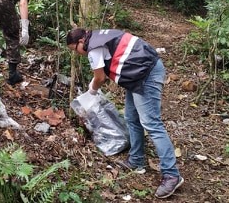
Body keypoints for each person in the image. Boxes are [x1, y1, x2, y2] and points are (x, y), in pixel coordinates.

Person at [66, 28, 184, 199]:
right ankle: (136, 160)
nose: (77, 54)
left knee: (152, 124)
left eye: (74, 49)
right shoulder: (99, 38)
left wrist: (90, 94)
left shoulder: (93, 47)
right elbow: (100, 72)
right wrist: (90, 92)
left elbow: (99, 78)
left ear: (81, 42)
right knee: (131, 117)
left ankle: (172, 174)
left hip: (146, 74)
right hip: (138, 73)